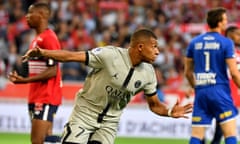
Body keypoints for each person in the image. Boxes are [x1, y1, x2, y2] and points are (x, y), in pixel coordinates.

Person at [22, 28, 193, 144]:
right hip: (85, 114)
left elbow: (155, 105)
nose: (158, 52)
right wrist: (43, 52)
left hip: (109, 123)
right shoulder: (109, 55)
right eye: (154, 46)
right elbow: (71, 56)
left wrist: (170, 112)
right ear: (140, 47)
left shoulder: (148, 73)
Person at [8, 2, 62, 144]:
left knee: (37, 141)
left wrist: (24, 81)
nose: (27, 17)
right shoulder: (36, 40)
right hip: (36, 95)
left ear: (42, 15)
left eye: (31, 13)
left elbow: (53, 70)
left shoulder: (49, 38)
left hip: (46, 96)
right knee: (46, 139)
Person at [184, 7, 240, 144]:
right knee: (230, 134)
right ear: (219, 23)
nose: (226, 22)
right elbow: (233, 73)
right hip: (220, 91)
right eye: (225, 19)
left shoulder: (194, 42)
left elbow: (187, 72)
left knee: (196, 136)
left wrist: (195, 87)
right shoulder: (226, 43)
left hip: (201, 91)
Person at [209, 26, 240, 144]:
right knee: (225, 127)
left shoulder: (235, 52)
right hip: (222, 92)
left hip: (230, 93)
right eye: (237, 34)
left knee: (221, 127)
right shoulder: (222, 51)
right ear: (230, 36)